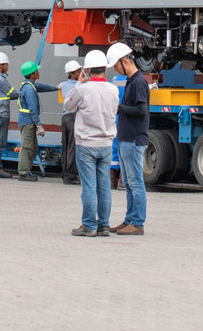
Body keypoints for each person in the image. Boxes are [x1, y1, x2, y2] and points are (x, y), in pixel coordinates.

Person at [63, 50, 120, 237]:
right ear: (105, 68)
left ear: (86, 70)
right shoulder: (113, 89)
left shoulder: (83, 89)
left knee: (89, 187)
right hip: (105, 144)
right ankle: (103, 225)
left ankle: (89, 225)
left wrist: (79, 83)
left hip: (86, 144)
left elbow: (68, 106)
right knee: (104, 186)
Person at [108, 42, 149, 235]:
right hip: (126, 139)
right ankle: (129, 219)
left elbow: (142, 111)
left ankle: (138, 223)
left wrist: (119, 108)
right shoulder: (131, 81)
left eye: (116, 66)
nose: (116, 70)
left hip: (133, 139)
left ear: (124, 61)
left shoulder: (139, 82)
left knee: (135, 182)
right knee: (130, 183)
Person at [16, 61, 60, 181]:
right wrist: (39, 125)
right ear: (32, 74)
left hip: (28, 121)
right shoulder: (30, 90)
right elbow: (33, 109)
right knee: (27, 147)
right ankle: (23, 173)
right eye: (36, 71)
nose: (38, 72)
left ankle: (27, 171)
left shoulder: (29, 85)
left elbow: (42, 87)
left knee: (33, 147)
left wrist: (57, 87)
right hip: (28, 121)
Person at [0, 51, 18, 178]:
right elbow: (12, 93)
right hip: (2, 114)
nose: (8, 66)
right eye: (6, 64)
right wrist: (26, 91)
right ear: (0, 65)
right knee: (0, 141)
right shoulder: (0, 79)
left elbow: (7, 96)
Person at [59, 60, 82, 184]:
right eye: (78, 71)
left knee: (65, 146)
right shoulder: (80, 85)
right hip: (74, 118)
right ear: (72, 73)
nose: (80, 73)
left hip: (65, 118)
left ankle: (64, 173)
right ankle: (70, 176)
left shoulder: (63, 84)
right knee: (73, 147)